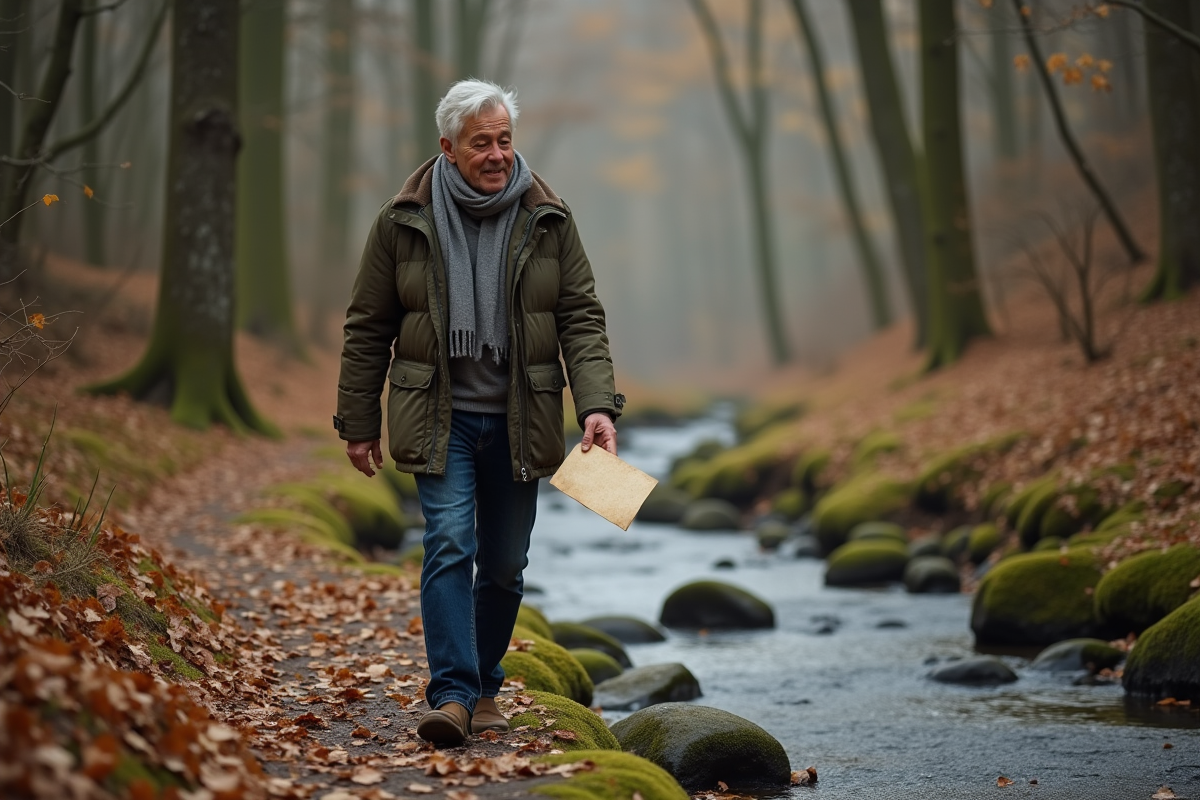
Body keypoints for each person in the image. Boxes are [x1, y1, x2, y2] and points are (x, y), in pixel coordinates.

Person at [334, 78, 623, 746]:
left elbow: (580, 317)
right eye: (481, 142)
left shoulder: (548, 216)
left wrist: (598, 405)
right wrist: (357, 421)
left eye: (504, 140)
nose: (496, 154)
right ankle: (455, 695)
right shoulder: (404, 218)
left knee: (502, 565)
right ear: (448, 147)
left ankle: (487, 683)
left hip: (522, 418)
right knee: (449, 545)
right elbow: (368, 324)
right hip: (439, 417)